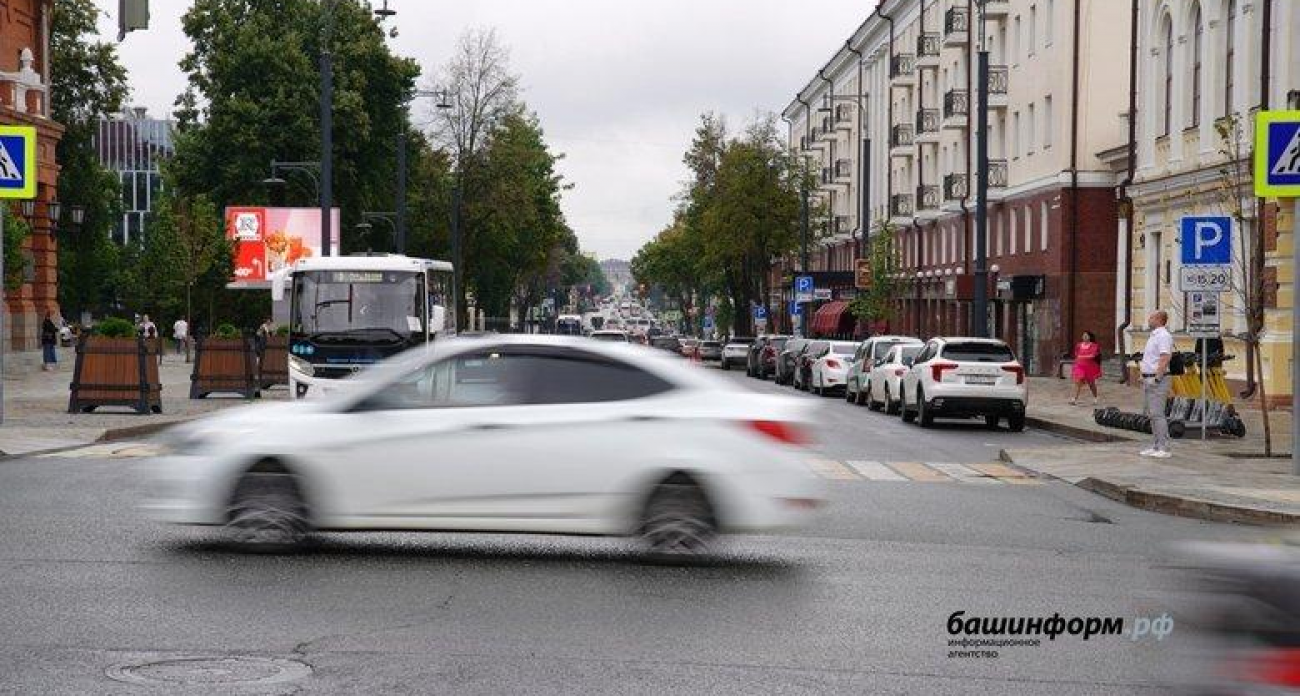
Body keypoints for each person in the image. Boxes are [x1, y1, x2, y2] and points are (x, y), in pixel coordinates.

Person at [1139, 311, 1175, 458]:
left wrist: (1157, 377)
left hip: (1157, 380)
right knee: (1151, 414)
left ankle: (1164, 447)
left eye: (1151, 317)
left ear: (1159, 319)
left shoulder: (1163, 336)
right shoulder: (1153, 335)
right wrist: (1144, 375)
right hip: (1149, 378)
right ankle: (1156, 445)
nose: (1149, 319)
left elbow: (1165, 357)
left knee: (1157, 414)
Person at [1069, 330, 1102, 405]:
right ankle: (1074, 399)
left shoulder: (1094, 346)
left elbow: (1093, 355)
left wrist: (1082, 357)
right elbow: (1076, 354)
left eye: (1086, 335)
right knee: (1078, 381)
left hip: (1089, 367)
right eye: (1083, 335)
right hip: (1079, 365)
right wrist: (1079, 357)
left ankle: (1095, 397)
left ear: (1090, 337)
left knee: (1091, 384)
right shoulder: (1079, 345)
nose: (1084, 337)